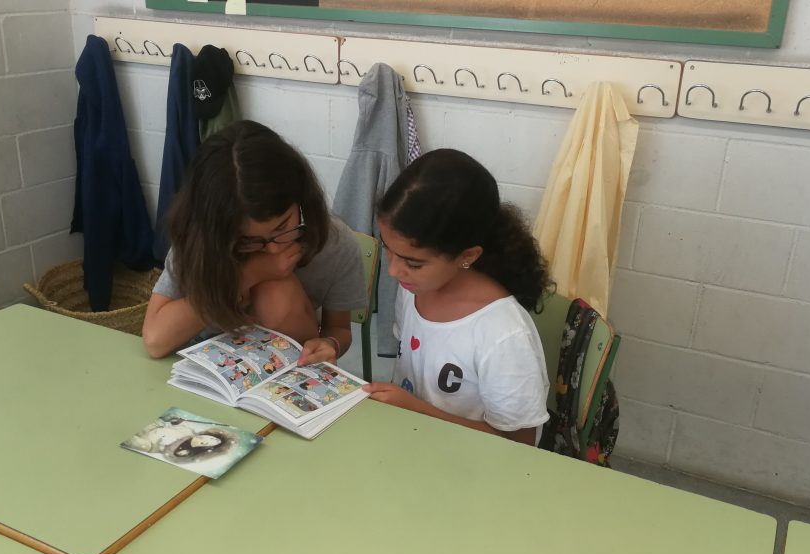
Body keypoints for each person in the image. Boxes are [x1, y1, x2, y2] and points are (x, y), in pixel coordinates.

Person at [362, 149, 553, 446]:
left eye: (413, 263)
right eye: (388, 248)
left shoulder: (503, 333)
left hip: (471, 462)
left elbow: (520, 442)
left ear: (467, 256)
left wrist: (417, 411)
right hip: (410, 442)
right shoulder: (413, 288)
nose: (393, 271)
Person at [143, 121, 367, 363]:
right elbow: (155, 340)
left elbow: (339, 330)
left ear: (301, 197)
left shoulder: (335, 244)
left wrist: (330, 344)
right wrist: (246, 275)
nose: (273, 247)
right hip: (204, 365)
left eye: (282, 227)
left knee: (277, 292)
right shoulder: (203, 240)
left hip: (288, 367)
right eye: (249, 240)